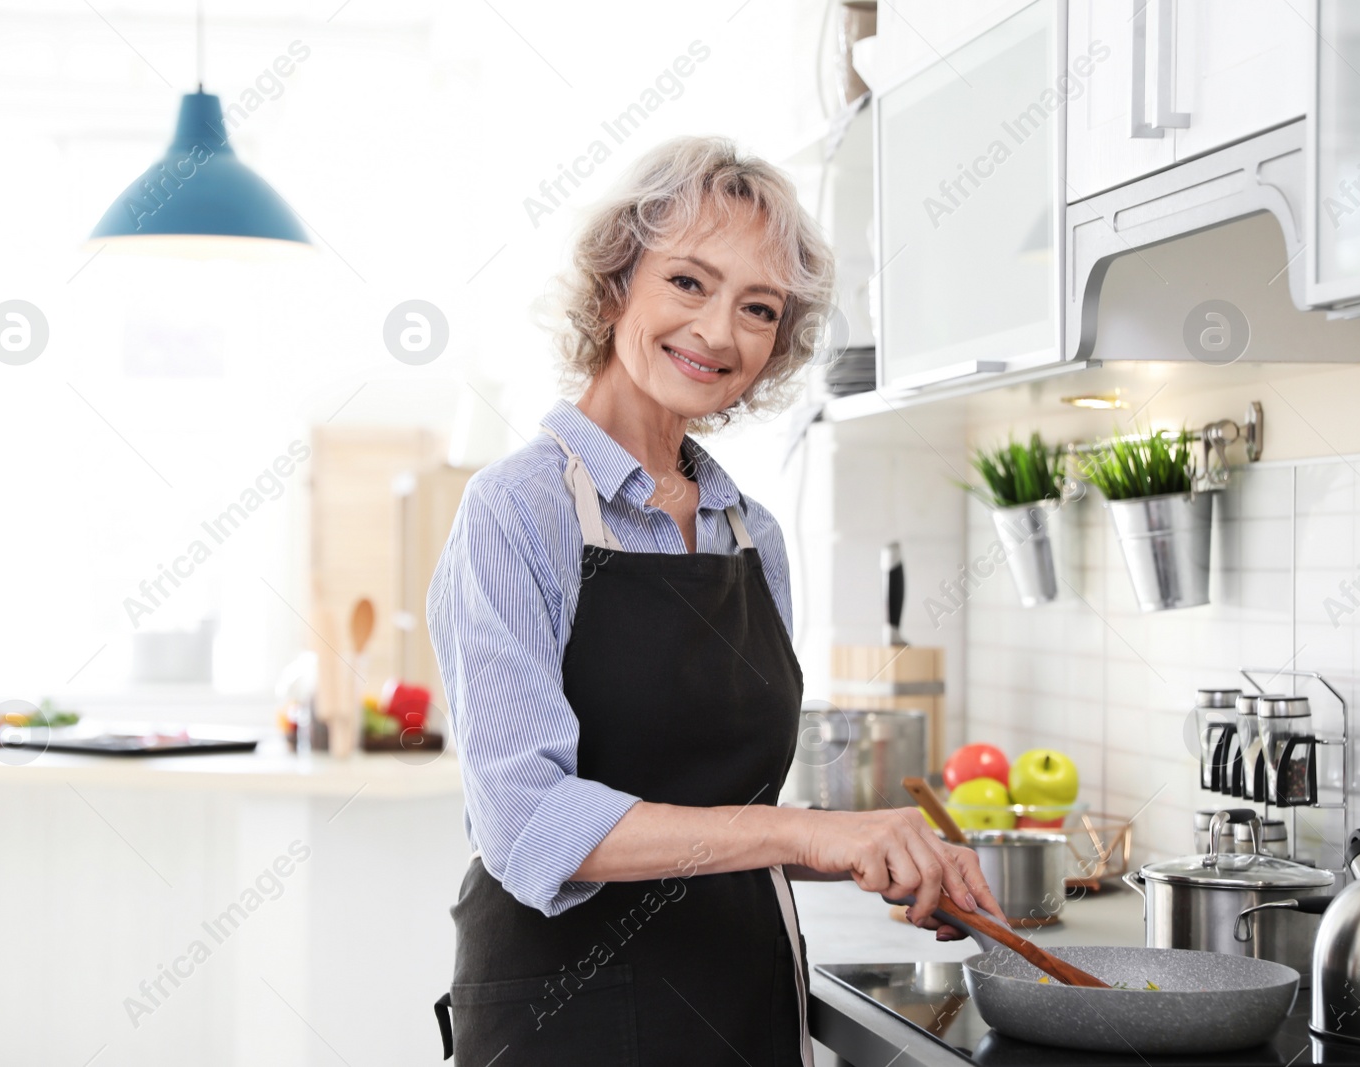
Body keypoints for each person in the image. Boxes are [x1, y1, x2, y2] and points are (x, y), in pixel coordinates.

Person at [428, 135, 1002, 1066]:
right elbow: (526, 822)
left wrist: (874, 854)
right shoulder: (517, 510)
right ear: (617, 284)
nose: (718, 330)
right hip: (564, 1016)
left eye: (758, 307)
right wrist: (813, 833)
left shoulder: (751, 533)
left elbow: (726, 793)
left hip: (741, 1002)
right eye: (689, 282)